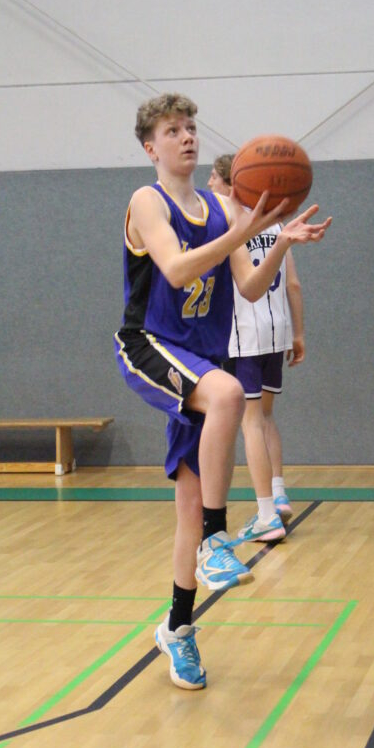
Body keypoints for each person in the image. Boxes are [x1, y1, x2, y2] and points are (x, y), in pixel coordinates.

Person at [114, 94, 331, 691]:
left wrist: (278, 241)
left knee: (187, 500)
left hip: (200, 360)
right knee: (232, 395)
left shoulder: (220, 206)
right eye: (172, 130)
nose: (187, 136)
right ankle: (217, 536)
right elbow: (177, 269)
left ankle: (178, 629)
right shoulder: (147, 201)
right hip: (150, 344)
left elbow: (251, 288)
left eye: (190, 127)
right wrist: (241, 230)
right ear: (150, 147)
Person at [207, 155, 304, 543]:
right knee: (265, 416)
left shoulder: (228, 225)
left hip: (244, 334)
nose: (208, 184)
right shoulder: (275, 223)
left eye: (213, 177)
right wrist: (299, 333)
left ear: (232, 184)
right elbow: (293, 284)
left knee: (250, 423)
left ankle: (266, 515)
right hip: (276, 332)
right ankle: (278, 493)